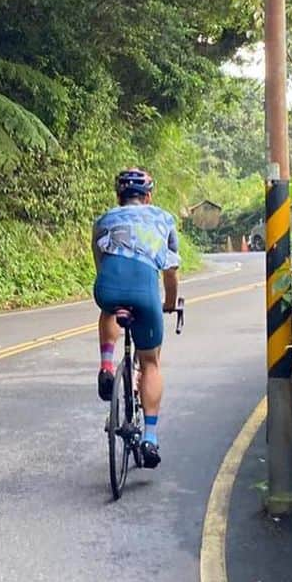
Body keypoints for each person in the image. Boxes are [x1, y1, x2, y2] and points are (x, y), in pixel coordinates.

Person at [92, 168, 180, 469]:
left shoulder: (104, 219)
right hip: (145, 289)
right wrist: (168, 303)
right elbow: (170, 271)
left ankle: (106, 365)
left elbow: (100, 262)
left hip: (108, 286)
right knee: (151, 363)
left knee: (109, 309)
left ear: (119, 197)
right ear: (149, 196)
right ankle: (151, 438)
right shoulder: (164, 219)